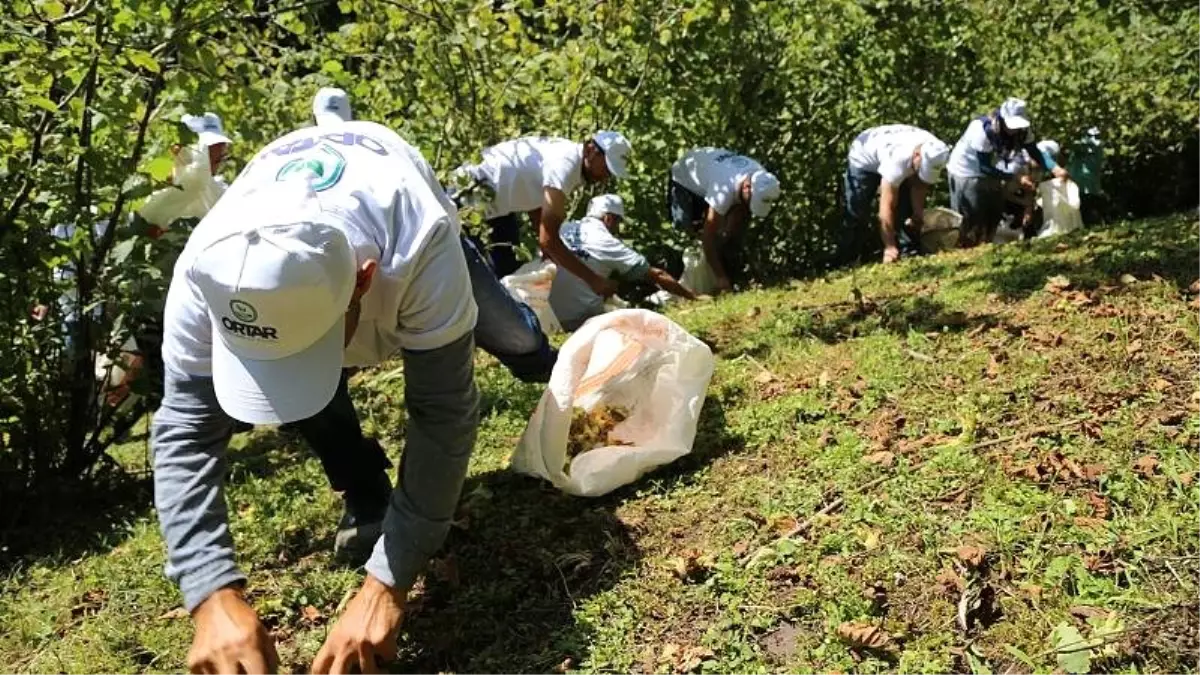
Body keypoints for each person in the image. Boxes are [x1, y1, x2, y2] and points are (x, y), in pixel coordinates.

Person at [152, 120, 481, 675]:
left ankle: (534, 351)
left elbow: (443, 412)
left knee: (510, 333)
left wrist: (388, 583)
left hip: (401, 198)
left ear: (362, 280)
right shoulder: (203, 271)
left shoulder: (417, 239)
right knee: (312, 400)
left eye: (306, 347)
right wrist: (210, 593)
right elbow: (184, 430)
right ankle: (365, 490)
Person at [313, 89, 557, 382]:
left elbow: (441, 215)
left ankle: (547, 368)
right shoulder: (309, 165)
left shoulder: (381, 145)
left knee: (516, 337)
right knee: (317, 364)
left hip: (428, 250)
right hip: (347, 279)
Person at [450, 131, 633, 287]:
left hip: (496, 207)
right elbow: (549, 240)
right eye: (606, 169)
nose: (605, 177)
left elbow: (538, 207)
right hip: (467, 197)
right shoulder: (565, 165)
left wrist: (549, 258)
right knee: (476, 275)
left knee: (507, 272)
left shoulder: (569, 161)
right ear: (591, 150)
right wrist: (594, 281)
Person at [549, 195, 699, 330]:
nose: (618, 228)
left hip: (550, 315)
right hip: (578, 318)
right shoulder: (606, 241)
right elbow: (657, 275)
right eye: (618, 221)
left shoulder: (562, 229)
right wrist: (691, 297)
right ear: (608, 218)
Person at [946, 97, 1069, 247]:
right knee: (971, 217)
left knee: (993, 212)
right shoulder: (981, 130)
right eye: (1011, 125)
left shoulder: (1023, 131)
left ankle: (985, 246)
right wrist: (1015, 177)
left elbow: (1034, 151)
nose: (1014, 130)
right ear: (1002, 118)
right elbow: (983, 167)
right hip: (966, 171)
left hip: (994, 170)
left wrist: (1054, 168)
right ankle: (963, 250)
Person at [668, 148, 780, 293]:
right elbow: (708, 238)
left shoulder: (762, 179)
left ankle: (730, 274)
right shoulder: (722, 191)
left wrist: (728, 235)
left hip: (712, 172)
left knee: (731, 234)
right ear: (746, 188)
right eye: (752, 201)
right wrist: (721, 278)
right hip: (686, 175)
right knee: (688, 233)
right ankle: (686, 288)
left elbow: (736, 220)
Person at [842, 125, 951, 264]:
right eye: (922, 168)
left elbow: (920, 185)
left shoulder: (936, 150)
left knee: (905, 206)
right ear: (917, 156)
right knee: (857, 209)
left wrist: (917, 214)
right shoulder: (898, 159)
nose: (923, 172)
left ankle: (909, 251)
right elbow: (887, 205)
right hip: (864, 156)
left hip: (891, 153)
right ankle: (850, 258)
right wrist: (889, 246)